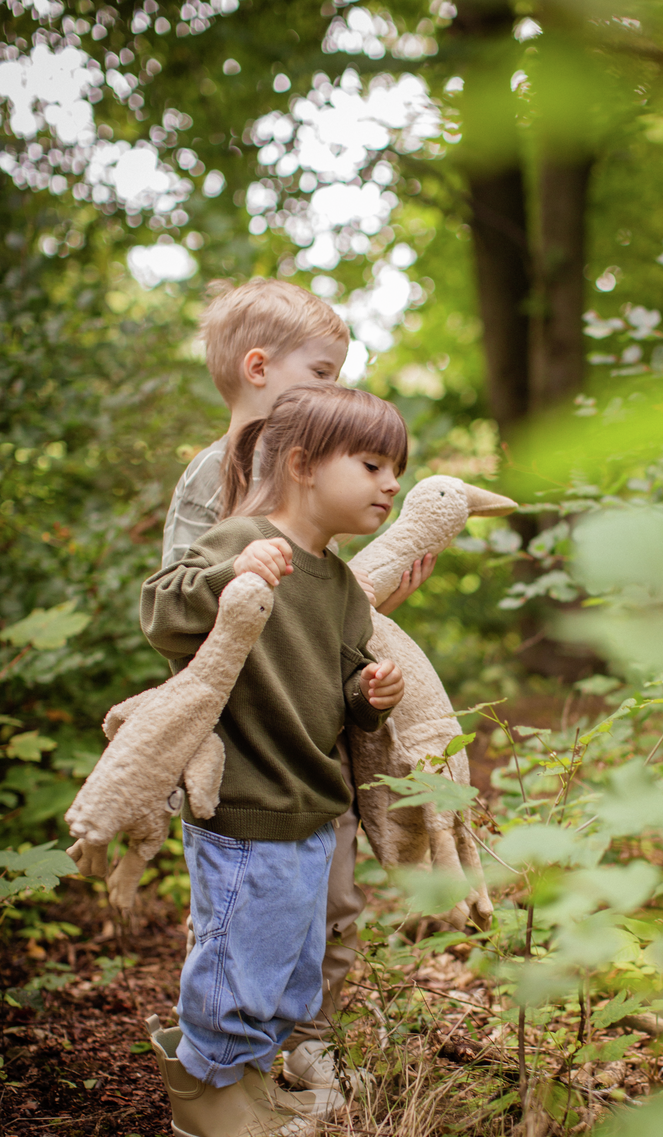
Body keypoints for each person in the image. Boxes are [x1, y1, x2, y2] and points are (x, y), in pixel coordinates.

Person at [161, 278, 434, 1092]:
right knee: (247, 902)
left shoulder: (327, 485)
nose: (335, 389)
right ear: (258, 368)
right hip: (247, 740)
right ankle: (221, 1059)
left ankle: (307, 1036)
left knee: (328, 896)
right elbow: (186, 606)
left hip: (316, 736)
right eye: (322, 373)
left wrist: (369, 639)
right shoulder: (216, 477)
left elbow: (318, 611)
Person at [141, 382, 407, 1137]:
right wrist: (232, 574)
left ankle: (250, 1078)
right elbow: (160, 613)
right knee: (240, 957)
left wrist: (369, 694)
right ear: (301, 464)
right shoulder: (241, 539)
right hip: (245, 797)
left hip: (310, 801)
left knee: (287, 958)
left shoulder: (341, 586)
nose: (391, 484)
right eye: (372, 465)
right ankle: (207, 1094)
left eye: (396, 469)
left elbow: (342, 689)